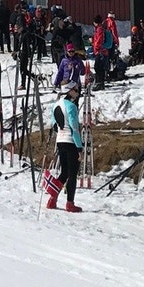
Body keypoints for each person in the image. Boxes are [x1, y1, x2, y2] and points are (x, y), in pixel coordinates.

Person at [48, 78, 84, 213]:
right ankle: (70, 203)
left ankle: (52, 198)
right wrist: (79, 147)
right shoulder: (71, 106)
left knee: (63, 172)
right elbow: (74, 127)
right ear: (69, 91)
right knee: (72, 174)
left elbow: (54, 125)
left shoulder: (56, 105)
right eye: (75, 90)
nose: (77, 92)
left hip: (60, 140)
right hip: (70, 141)